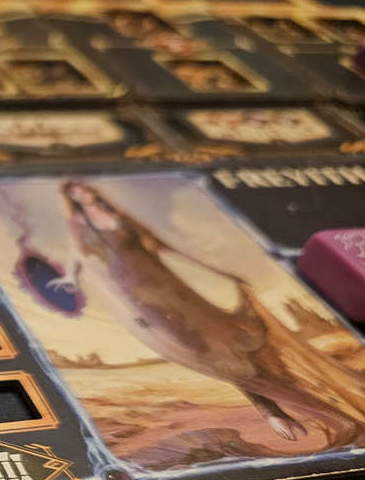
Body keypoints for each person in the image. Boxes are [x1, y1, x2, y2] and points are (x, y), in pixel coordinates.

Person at [42, 179, 365, 447]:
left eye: (85, 189)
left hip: (170, 287)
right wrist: (70, 277)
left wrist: (215, 271)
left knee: (229, 342)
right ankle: (271, 411)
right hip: (138, 294)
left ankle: (304, 402)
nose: (85, 194)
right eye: (77, 193)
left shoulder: (119, 216)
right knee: (206, 353)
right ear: (72, 198)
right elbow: (78, 254)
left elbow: (164, 247)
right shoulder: (79, 223)